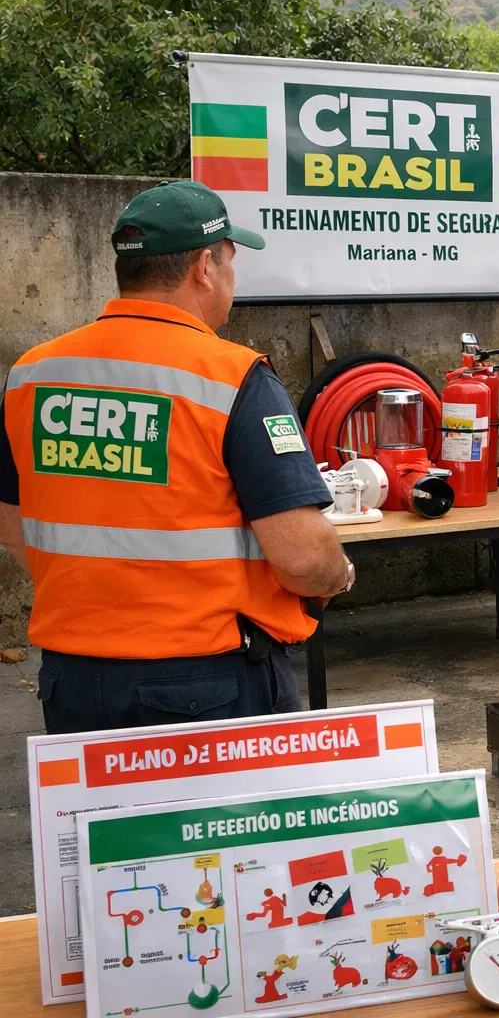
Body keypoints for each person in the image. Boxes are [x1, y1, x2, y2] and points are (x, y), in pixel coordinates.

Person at [0, 181, 351, 734]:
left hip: (72, 683)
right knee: (230, 824)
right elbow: (304, 558)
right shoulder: (232, 378)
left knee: (103, 823)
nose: (233, 280)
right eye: (232, 263)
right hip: (206, 684)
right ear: (204, 267)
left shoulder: (30, 374)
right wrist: (340, 576)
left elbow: (14, 526)